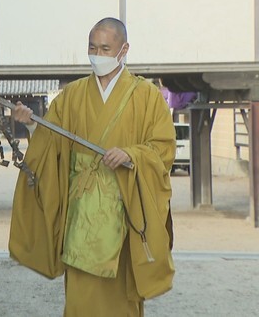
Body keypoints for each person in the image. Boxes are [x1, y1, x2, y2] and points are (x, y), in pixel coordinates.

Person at [9, 17, 176, 317]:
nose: (97, 54)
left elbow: (162, 149)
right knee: (80, 300)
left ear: (124, 50)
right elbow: (52, 143)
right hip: (82, 214)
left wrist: (131, 155)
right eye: (92, 47)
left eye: (105, 48)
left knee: (120, 301)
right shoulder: (73, 95)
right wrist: (32, 124)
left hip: (123, 213)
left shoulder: (146, 96)